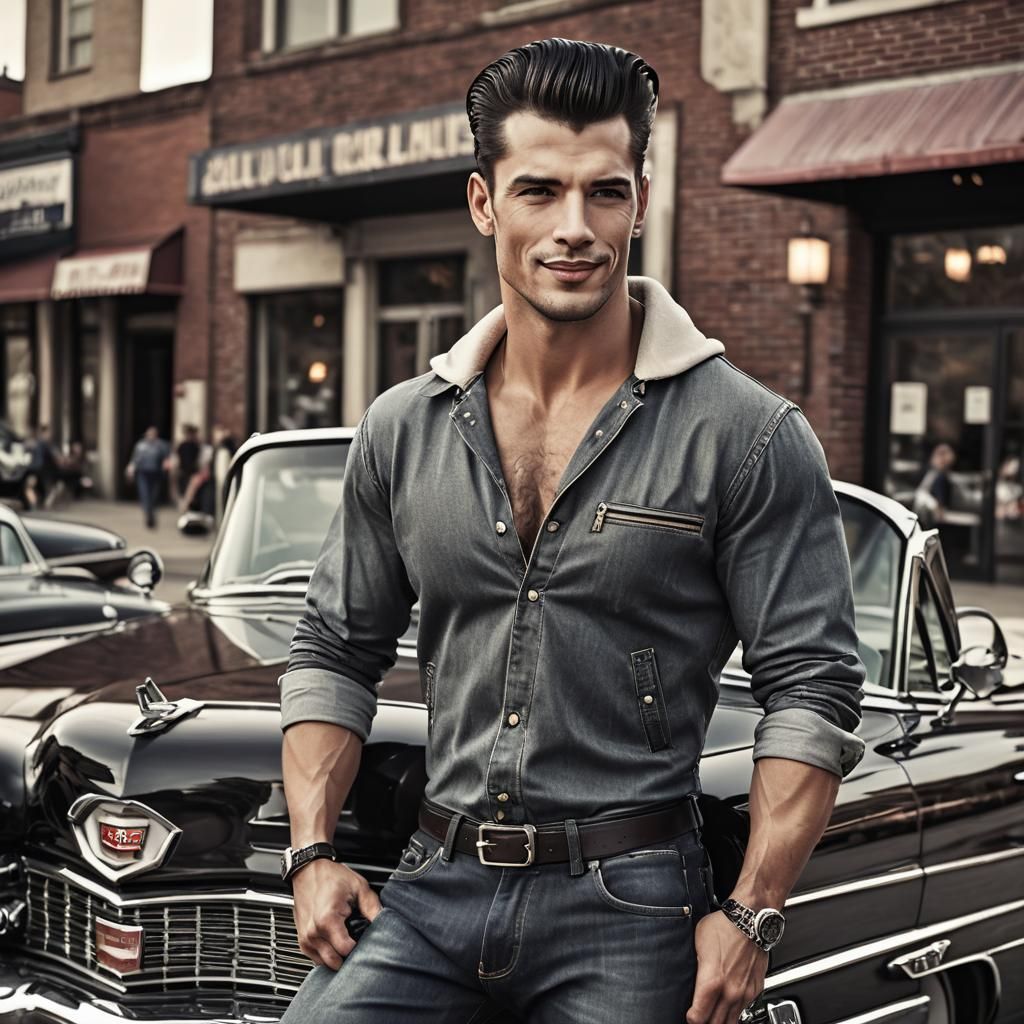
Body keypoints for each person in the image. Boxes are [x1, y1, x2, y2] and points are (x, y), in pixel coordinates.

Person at [277, 39, 866, 1024]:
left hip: (629, 899)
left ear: (640, 197)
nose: (573, 228)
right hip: (434, 880)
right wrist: (311, 851)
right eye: (539, 191)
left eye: (604, 193)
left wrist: (753, 908)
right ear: (483, 203)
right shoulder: (402, 426)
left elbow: (811, 684)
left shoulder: (747, 433)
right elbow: (335, 646)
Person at [126, 425, 171, 529]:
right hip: (143, 473)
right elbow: (135, 459)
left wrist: (166, 464)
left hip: (156, 473)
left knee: (154, 496)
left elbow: (167, 458)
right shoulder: (141, 445)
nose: (151, 436)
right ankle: (148, 514)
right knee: (145, 494)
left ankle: (151, 512)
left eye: (153, 434)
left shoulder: (161, 445)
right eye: (149, 433)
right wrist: (131, 468)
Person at [913, 442, 956, 529]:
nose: (938, 460)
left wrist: (936, 506)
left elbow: (941, 501)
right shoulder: (929, 472)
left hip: (931, 515)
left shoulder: (942, 477)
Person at [174, 424, 202, 512]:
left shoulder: (196, 446)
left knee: (190, 492)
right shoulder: (182, 445)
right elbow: (178, 458)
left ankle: (185, 508)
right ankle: (185, 508)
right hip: (183, 471)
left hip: (193, 471)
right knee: (185, 491)